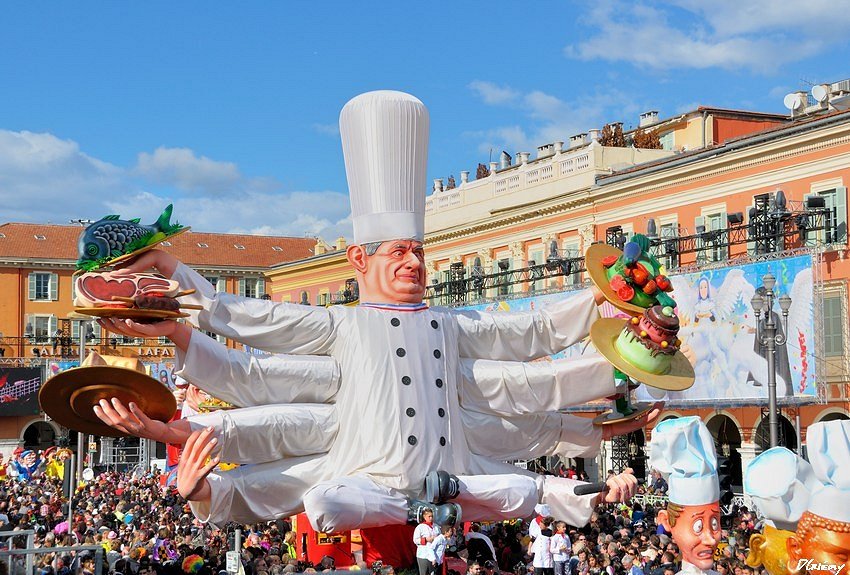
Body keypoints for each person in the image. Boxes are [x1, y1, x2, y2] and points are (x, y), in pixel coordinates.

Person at [95, 91, 651, 534]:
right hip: (360, 484)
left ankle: (454, 501)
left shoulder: (454, 328)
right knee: (326, 498)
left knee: (522, 483)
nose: (413, 262)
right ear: (359, 258)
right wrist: (174, 294)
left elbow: (531, 357)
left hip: (463, 475)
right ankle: (432, 506)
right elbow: (248, 348)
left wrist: (601, 303)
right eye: (398, 251)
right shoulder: (341, 329)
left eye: (418, 251)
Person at [414, 508, 439, 575]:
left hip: (434, 553)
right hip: (423, 554)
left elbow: (439, 537)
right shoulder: (420, 527)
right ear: (424, 517)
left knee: (433, 573)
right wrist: (426, 539)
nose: (431, 518)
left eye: (432, 516)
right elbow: (415, 540)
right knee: (423, 573)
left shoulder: (436, 526)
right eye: (429, 516)